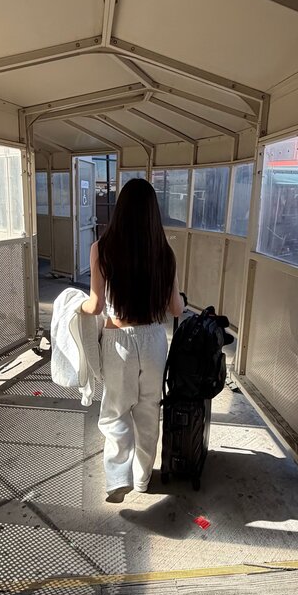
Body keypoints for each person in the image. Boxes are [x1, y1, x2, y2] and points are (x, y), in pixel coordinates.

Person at [81, 178, 184, 501]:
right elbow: (176, 308)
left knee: (115, 412)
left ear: (120, 209)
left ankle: (117, 478)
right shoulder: (165, 253)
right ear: (154, 212)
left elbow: (95, 305)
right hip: (153, 340)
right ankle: (142, 479)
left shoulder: (102, 249)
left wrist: (75, 306)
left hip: (118, 341)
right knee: (148, 412)